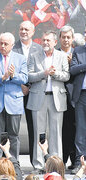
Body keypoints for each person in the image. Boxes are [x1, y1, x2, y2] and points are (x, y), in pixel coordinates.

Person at [26, 30, 70, 174]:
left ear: (54, 42)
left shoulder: (62, 56)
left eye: (48, 40)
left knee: (56, 132)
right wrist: (43, 73)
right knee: (39, 132)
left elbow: (66, 75)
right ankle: (39, 165)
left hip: (57, 98)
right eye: (43, 40)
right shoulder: (34, 56)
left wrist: (54, 73)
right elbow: (29, 76)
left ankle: (56, 165)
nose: (45, 43)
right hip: (39, 97)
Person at [0, 32, 28, 162]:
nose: (2, 46)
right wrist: (2, 77)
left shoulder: (20, 58)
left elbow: (25, 78)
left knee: (13, 135)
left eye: (5, 44)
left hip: (14, 101)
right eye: (1, 43)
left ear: (12, 45)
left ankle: (14, 163)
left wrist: (13, 76)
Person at [13, 20, 42, 166]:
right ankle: (13, 161)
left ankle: (34, 162)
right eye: (21, 29)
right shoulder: (13, 48)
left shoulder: (39, 48)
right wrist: (21, 85)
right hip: (16, 92)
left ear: (33, 32)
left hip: (33, 92)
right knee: (13, 128)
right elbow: (10, 68)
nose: (23, 32)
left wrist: (28, 86)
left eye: (26, 29)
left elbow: (39, 70)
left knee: (33, 127)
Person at [58, 25, 76, 170]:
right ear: (59, 39)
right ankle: (61, 161)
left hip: (74, 97)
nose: (65, 40)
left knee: (74, 127)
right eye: (63, 37)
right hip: (57, 96)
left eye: (68, 37)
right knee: (61, 129)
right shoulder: (55, 53)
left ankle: (75, 159)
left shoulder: (78, 53)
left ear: (72, 39)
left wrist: (72, 64)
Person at [70, 25, 86, 174]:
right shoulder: (78, 50)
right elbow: (73, 69)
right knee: (81, 130)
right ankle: (79, 162)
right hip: (81, 95)